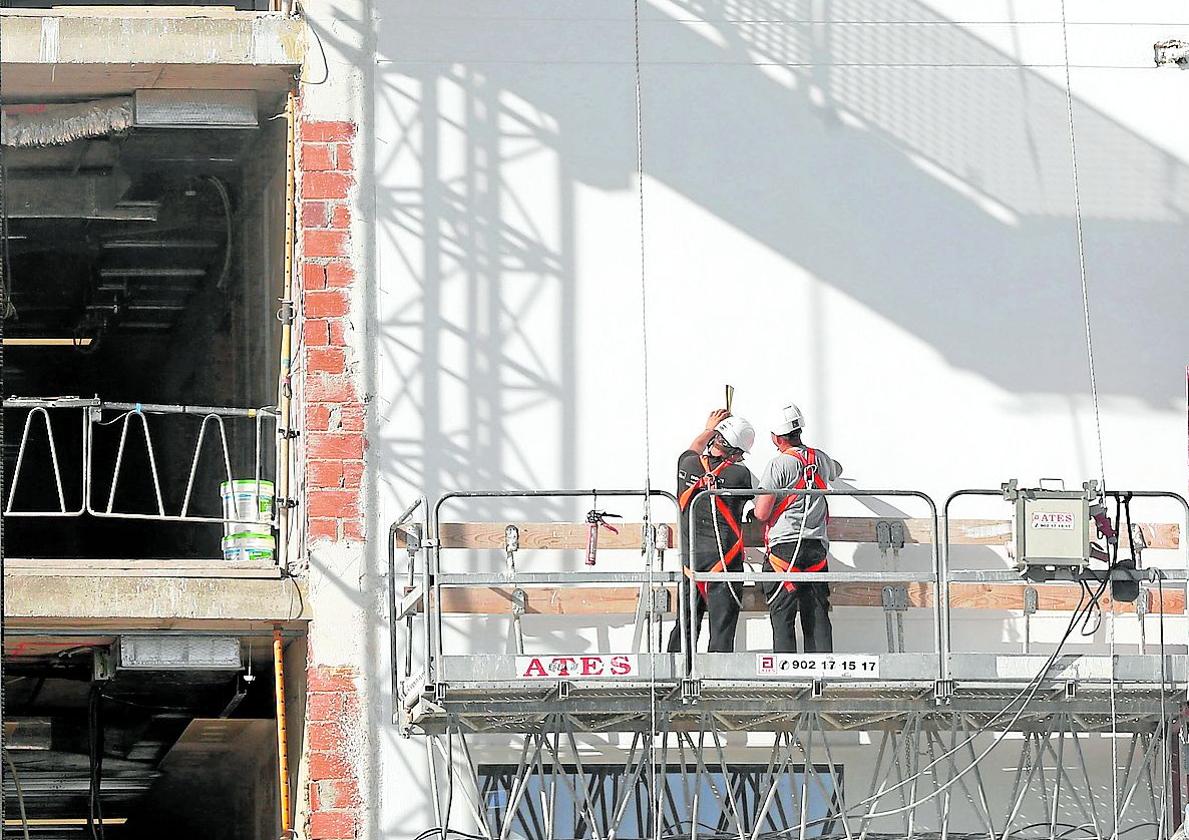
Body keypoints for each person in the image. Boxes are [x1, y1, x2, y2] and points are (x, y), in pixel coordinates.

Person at [751, 403, 842, 653]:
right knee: (817, 613)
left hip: (785, 550)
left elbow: (761, 513)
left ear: (775, 437)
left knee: (783, 615)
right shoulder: (820, 459)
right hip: (816, 549)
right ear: (799, 430)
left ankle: (787, 676)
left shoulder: (778, 465)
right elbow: (837, 469)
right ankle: (822, 673)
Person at [667, 409, 755, 656]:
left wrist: (708, 428)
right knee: (722, 629)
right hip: (723, 565)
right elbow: (757, 509)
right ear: (737, 452)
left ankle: (674, 676)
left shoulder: (686, 464)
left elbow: (694, 448)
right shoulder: (739, 475)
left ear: (716, 438)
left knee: (684, 623)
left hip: (691, 562)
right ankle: (716, 679)